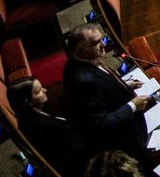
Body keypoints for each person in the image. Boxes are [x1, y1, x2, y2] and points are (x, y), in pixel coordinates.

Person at [62, 25, 151, 156]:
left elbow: (101, 87)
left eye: (101, 39)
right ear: (80, 50)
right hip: (124, 142)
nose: (103, 44)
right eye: (95, 43)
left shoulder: (83, 60)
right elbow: (100, 124)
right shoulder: (83, 81)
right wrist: (133, 105)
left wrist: (123, 85)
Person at [8, 78, 86, 177]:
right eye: (39, 91)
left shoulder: (33, 114)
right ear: (28, 102)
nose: (45, 90)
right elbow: (76, 150)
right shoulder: (41, 126)